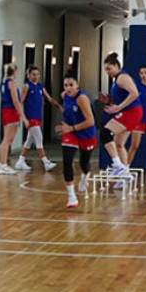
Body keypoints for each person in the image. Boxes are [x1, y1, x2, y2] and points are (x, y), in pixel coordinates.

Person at [56, 71, 96, 209]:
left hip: (85, 132)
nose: (68, 88)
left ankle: (85, 175)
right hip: (70, 132)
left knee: (84, 163)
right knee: (67, 161)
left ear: (77, 85)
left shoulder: (82, 99)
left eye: (71, 85)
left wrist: (72, 127)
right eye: (66, 85)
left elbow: (91, 121)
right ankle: (71, 196)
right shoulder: (64, 95)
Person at [101, 53, 142, 188]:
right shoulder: (117, 80)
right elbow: (122, 97)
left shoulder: (122, 77)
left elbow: (134, 93)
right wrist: (108, 100)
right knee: (119, 144)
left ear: (117, 66)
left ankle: (118, 165)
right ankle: (126, 175)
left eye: (109, 68)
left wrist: (118, 107)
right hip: (129, 111)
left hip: (132, 111)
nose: (108, 72)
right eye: (105, 69)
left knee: (105, 133)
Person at [14, 65, 62, 172]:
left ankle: (20, 161)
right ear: (29, 75)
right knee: (39, 138)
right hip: (30, 117)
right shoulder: (26, 86)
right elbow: (20, 102)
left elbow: (49, 98)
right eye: (33, 74)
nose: (36, 76)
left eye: (37, 74)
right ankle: (45, 162)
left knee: (29, 140)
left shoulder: (40, 87)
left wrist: (59, 106)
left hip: (38, 116)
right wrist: (20, 117)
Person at [0, 63, 28, 175]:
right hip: (11, 111)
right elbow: (15, 100)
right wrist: (23, 116)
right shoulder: (11, 83)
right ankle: (3, 164)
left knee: (5, 139)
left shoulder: (3, 83)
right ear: (14, 71)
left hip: (5, 110)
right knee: (8, 139)